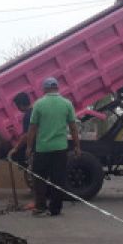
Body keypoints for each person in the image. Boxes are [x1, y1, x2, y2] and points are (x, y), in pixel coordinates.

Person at [26, 77, 79, 217]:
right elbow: (73, 128)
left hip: (42, 148)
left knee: (40, 179)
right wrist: (77, 146)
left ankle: (41, 207)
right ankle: (55, 209)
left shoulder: (38, 104)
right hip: (60, 148)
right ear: (57, 87)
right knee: (58, 179)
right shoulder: (67, 104)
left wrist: (29, 147)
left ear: (44, 89)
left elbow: (32, 128)